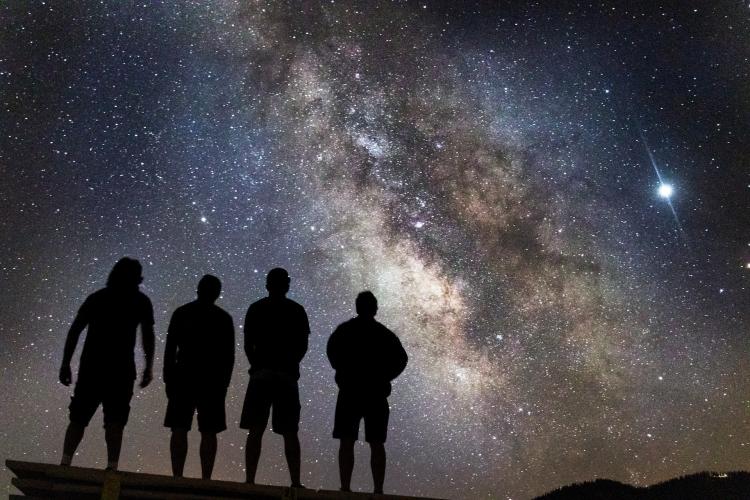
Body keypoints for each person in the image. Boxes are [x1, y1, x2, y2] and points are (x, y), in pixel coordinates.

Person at [58, 257, 155, 471]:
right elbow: (147, 335)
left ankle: (66, 462)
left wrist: (66, 363)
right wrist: (148, 366)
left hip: (92, 367)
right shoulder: (140, 301)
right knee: (115, 420)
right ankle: (111, 466)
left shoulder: (98, 298)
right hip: (120, 370)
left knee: (79, 417)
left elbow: (75, 330)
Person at [327, 291, 408, 494]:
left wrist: (342, 373)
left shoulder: (344, 330)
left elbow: (331, 351)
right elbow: (401, 359)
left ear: (357, 307)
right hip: (375, 393)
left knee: (347, 441)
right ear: (375, 309)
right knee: (376, 443)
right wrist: (385, 377)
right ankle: (378, 490)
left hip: (350, 392)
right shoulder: (385, 334)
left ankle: (345, 487)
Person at [240, 268, 310, 487]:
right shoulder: (297, 310)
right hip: (286, 377)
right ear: (287, 285)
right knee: (290, 431)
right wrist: (290, 364)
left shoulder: (256, 308)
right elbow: (302, 345)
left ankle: (250, 480)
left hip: (261, 376)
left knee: (256, 429)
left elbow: (247, 343)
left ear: (267, 284)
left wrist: (256, 364)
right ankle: (295, 482)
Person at [163, 275, 235, 480]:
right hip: (212, 380)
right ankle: (206, 478)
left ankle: (177, 476)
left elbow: (170, 348)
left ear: (198, 289)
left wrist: (168, 377)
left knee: (179, 427)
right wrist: (225, 383)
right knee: (209, 430)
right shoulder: (223, 318)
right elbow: (228, 356)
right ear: (217, 293)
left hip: (184, 376)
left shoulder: (182, 313)